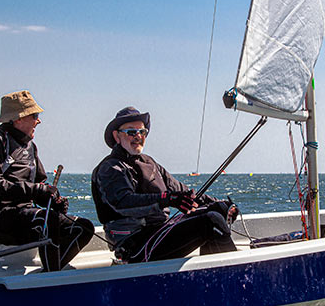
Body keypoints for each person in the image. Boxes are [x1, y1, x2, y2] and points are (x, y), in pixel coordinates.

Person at [0, 90, 94, 271]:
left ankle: (48, 273)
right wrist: (37, 191)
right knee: (47, 221)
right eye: (35, 115)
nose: (38, 121)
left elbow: (40, 186)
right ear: (18, 118)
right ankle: (50, 280)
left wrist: (52, 200)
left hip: (24, 216)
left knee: (84, 227)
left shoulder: (30, 147)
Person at [91, 106, 238, 263]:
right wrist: (167, 199)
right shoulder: (111, 168)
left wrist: (218, 203)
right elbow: (123, 202)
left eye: (142, 132)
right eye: (131, 132)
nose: (138, 136)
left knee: (219, 210)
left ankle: (210, 275)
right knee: (211, 221)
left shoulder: (149, 162)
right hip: (136, 244)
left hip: (160, 230)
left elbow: (180, 191)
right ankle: (238, 276)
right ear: (117, 136)